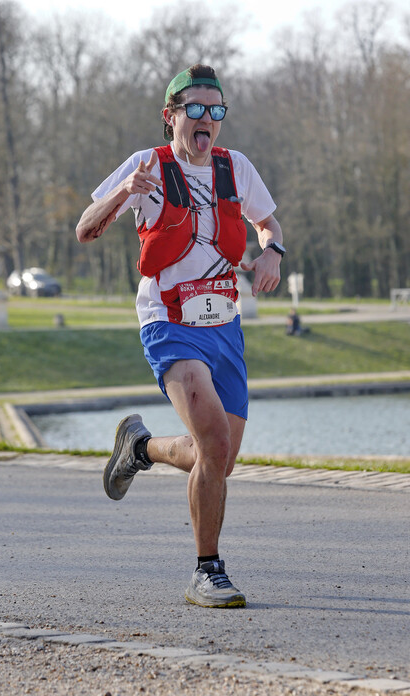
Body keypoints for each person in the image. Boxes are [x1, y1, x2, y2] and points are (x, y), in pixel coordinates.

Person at [76, 64, 285, 608]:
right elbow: (85, 229)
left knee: (216, 459)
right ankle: (207, 571)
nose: (207, 120)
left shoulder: (235, 168)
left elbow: (269, 225)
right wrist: (123, 191)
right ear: (171, 115)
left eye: (216, 111)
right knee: (214, 445)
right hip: (168, 323)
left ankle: (139, 447)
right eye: (195, 109)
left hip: (224, 327)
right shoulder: (146, 165)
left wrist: (272, 253)